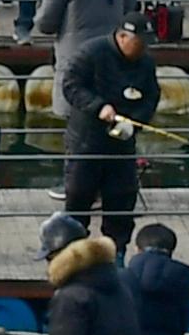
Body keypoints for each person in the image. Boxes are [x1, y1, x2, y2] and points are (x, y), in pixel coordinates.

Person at [56, 13, 164, 245]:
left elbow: (152, 96)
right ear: (122, 36)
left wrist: (136, 121)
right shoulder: (90, 53)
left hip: (122, 144)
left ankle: (118, 253)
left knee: (122, 200)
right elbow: (71, 85)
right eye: (139, 42)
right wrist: (97, 106)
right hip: (86, 142)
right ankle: (74, 251)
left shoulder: (145, 62)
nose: (143, 48)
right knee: (78, 198)